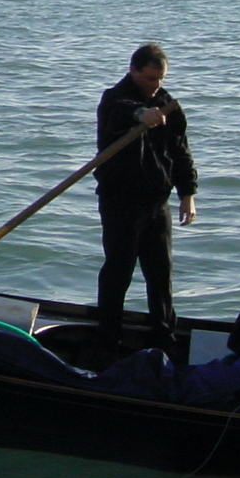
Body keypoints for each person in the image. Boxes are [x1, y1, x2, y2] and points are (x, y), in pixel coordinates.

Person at [93, 43, 197, 349]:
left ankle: (164, 340)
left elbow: (181, 153)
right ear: (134, 71)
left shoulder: (168, 105)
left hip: (157, 202)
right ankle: (108, 339)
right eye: (150, 78)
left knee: (160, 275)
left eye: (161, 79)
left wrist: (187, 193)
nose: (156, 85)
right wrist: (141, 113)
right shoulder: (115, 99)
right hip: (120, 201)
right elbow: (121, 112)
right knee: (119, 271)